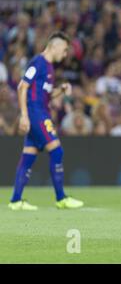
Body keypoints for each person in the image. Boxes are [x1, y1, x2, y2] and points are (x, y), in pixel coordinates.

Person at [9, 32, 84, 210]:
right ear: (55, 46)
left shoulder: (49, 67)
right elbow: (22, 86)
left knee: (28, 156)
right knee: (57, 151)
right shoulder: (38, 62)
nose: (65, 55)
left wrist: (61, 89)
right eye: (65, 50)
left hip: (40, 111)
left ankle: (16, 201)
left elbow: (47, 96)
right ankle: (61, 198)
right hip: (36, 114)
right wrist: (25, 116)